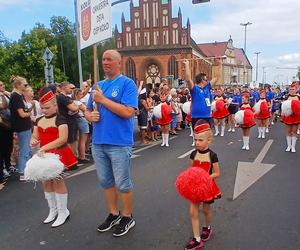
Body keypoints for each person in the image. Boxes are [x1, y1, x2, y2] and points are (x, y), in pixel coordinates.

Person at [85, 49, 138, 237]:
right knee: (105, 181)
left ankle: (127, 216)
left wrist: (103, 100)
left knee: (123, 183)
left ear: (119, 63)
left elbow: (127, 112)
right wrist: (89, 115)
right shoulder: (97, 86)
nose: (105, 62)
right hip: (98, 142)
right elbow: (87, 110)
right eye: (103, 60)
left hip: (119, 142)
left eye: (109, 59)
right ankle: (113, 213)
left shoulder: (127, 84)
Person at [30, 87, 77, 227]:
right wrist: (33, 141)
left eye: (47, 107)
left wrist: (44, 147)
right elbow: (35, 136)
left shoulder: (61, 119)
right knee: (45, 182)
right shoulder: (38, 120)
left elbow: (63, 139)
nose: (44, 110)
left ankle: (63, 212)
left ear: (55, 105)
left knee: (58, 181)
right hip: (44, 155)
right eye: (42, 108)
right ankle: (53, 210)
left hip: (59, 154)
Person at [178, 120, 221, 249]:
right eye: (195, 139)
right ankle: (197, 239)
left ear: (209, 141)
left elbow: (217, 173)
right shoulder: (193, 154)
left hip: (207, 187)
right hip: (195, 188)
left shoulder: (212, 155)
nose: (197, 143)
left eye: (200, 140)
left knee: (206, 210)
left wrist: (205, 177)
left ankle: (207, 228)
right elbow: (191, 170)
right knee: (193, 212)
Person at [9, 76, 32, 181]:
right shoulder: (16, 96)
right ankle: (22, 172)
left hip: (23, 126)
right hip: (22, 127)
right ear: (18, 85)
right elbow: (22, 114)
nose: (26, 86)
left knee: (26, 149)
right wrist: (29, 113)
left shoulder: (17, 95)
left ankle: (25, 170)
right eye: (25, 85)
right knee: (24, 150)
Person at [184, 60, 217, 128]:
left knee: (206, 136)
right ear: (202, 80)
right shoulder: (195, 89)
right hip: (196, 116)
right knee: (197, 136)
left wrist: (219, 64)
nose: (207, 81)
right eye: (206, 80)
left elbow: (216, 77)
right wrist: (187, 65)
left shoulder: (207, 88)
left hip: (207, 116)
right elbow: (188, 79)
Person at [56, 81, 79, 155]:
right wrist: (77, 106)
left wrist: (76, 107)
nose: (71, 90)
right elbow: (74, 108)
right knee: (69, 141)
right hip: (67, 122)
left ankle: (74, 158)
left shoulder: (65, 97)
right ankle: (70, 160)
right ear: (65, 87)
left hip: (71, 121)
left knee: (74, 139)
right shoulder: (62, 97)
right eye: (70, 88)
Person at [281, 82, 300, 153]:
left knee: (294, 131)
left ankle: (293, 147)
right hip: (288, 117)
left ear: (296, 89)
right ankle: (288, 146)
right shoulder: (286, 97)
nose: (292, 90)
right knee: (288, 131)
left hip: (296, 117)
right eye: (291, 89)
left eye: (293, 89)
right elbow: (282, 107)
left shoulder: (298, 97)